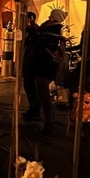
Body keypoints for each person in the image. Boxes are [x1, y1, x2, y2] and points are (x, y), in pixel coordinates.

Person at [32, 8, 66, 136]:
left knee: (44, 95)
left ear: (55, 18)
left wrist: (34, 30)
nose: (48, 18)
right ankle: (49, 122)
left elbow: (38, 43)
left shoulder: (50, 32)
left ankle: (49, 124)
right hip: (46, 66)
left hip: (43, 66)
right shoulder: (53, 31)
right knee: (44, 95)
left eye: (51, 16)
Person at [21, 12, 42, 122]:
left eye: (25, 18)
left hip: (32, 63)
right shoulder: (28, 31)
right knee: (28, 87)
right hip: (28, 62)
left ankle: (35, 110)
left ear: (30, 19)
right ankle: (33, 109)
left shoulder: (34, 30)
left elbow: (35, 47)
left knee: (31, 87)